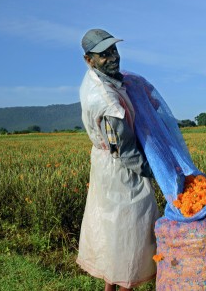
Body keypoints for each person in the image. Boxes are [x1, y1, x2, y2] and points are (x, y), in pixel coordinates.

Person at [76, 28, 159, 291]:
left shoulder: (98, 79)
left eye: (114, 50)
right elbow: (124, 150)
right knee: (130, 234)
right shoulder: (105, 99)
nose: (113, 57)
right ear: (89, 59)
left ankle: (110, 287)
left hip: (106, 166)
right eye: (104, 54)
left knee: (112, 232)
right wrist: (155, 170)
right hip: (121, 170)